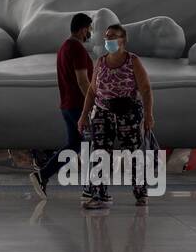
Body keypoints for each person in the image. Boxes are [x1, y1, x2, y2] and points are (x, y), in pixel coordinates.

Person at [77, 24, 155, 209]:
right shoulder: (101, 61)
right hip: (103, 113)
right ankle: (99, 195)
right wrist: (84, 115)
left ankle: (141, 193)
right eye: (106, 37)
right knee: (100, 154)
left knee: (133, 154)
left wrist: (149, 115)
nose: (108, 40)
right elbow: (92, 91)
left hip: (128, 113)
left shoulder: (132, 61)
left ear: (123, 40)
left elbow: (145, 89)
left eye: (113, 36)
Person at [30, 13, 93, 199]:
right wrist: (94, 101)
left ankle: (42, 175)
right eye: (90, 28)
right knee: (90, 146)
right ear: (83, 29)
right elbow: (82, 81)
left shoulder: (64, 47)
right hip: (79, 106)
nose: (91, 32)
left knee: (74, 144)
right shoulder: (78, 50)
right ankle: (91, 189)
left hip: (67, 105)